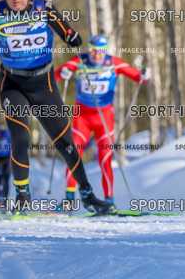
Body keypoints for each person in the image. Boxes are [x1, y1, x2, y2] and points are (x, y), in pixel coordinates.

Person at [0, 0, 113, 214]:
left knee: (65, 142)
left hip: (43, 85)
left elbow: (70, 35)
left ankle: (88, 196)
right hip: (13, 85)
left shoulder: (44, 9)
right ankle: (22, 198)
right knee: (20, 139)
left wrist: (73, 37)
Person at [54, 35, 149, 206]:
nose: (96, 55)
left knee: (105, 159)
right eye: (93, 50)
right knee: (73, 154)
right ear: (88, 49)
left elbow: (138, 77)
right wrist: (63, 73)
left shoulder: (114, 63)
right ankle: (69, 199)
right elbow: (55, 76)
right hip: (81, 118)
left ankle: (109, 201)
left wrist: (145, 74)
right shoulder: (80, 61)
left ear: (106, 51)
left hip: (104, 119)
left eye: (101, 51)